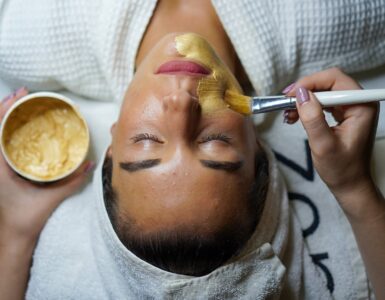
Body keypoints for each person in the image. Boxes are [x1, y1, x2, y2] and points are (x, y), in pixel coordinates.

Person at [0, 1, 385, 299]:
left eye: (148, 140)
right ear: (258, 144)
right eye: (215, 143)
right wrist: (353, 187)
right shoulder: (345, 20)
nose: (183, 106)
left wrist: (16, 231)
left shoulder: (22, 35)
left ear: (113, 142)